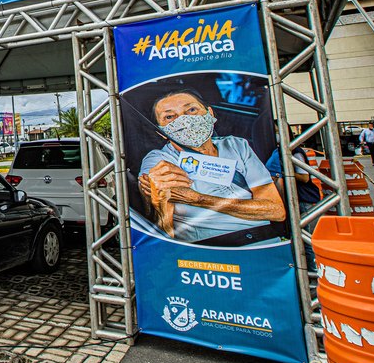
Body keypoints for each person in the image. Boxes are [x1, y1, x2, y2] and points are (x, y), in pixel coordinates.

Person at [137, 88, 286, 246]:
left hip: (265, 242)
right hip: (211, 249)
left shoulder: (236, 145)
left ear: (210, 113)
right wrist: (153, 194)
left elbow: (276, 211)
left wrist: (199, 199)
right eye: (169, 116)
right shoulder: (160, 160)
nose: (184, 120)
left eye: (192, 109)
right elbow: (157, 208)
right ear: (161, 131)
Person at [266, 145, 321, 268]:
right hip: (291, 198)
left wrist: (284, 173)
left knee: (303, 236)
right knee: (296, 235)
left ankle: (313, 270)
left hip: (301, 198)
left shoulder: (295, 153)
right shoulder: (278, 151)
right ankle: (303, 267)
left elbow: (305, 177)